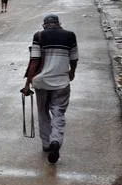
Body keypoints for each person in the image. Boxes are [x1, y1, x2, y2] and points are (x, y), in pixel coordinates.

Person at [22, 14, 79, 165]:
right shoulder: (70, 36)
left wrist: (27, 84)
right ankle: (56, 140)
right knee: (58, 112)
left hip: (41, 82)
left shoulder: (39, 36)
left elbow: (34, 62)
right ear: (59, 23)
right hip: (61, 82)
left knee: (43, 112)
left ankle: (47, 144)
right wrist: (72, 72)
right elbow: (74, 59)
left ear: (44, 25)